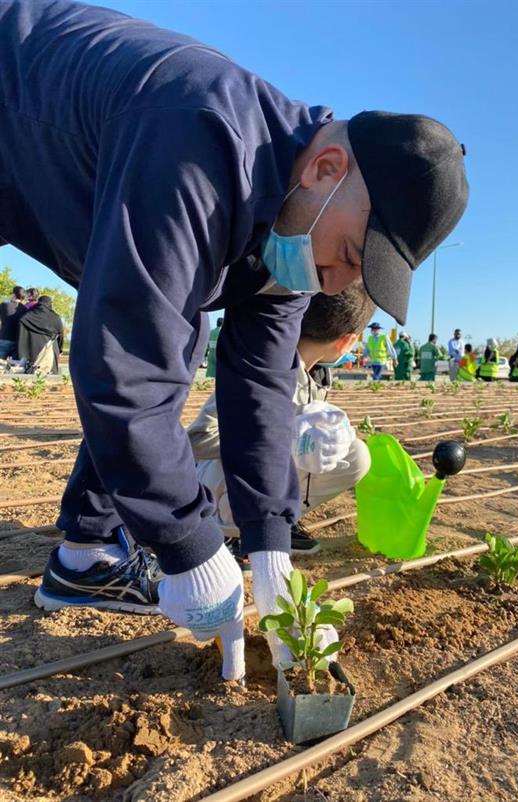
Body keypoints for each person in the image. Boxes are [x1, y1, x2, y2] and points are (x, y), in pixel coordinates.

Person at [1, 0, 468, 681]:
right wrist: (188, 545)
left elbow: (262, 387)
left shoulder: (295, 230)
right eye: (347, 252)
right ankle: (90, 549)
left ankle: (86, 557)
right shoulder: (198, 142)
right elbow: (124, 366)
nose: (335, 282)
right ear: (325, 167)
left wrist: (270, 548)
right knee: (166, 333)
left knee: (182, 328)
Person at [189, 286, 374, 567]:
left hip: (258, 477)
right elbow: (199, 437)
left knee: (354, 455)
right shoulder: (262, 368)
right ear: (346, 342)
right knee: (288, 446)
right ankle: (229, 530)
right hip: (216, 486)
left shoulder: (316, 375)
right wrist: (280, 434)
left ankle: (279, 520)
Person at [17, 295, 64, 373]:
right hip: (50, 350)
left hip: (31, 350)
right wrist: (60, 349)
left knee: (31, 375)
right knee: (50, 375)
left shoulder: (27, 316)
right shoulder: (55, 317)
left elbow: (21, 334)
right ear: (50, 304)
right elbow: (60, 335)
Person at [0, 285, 27, 359]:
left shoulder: (4, 305)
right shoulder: (25, 309)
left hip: (4, 338)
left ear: (14, 295)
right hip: (18, 341)